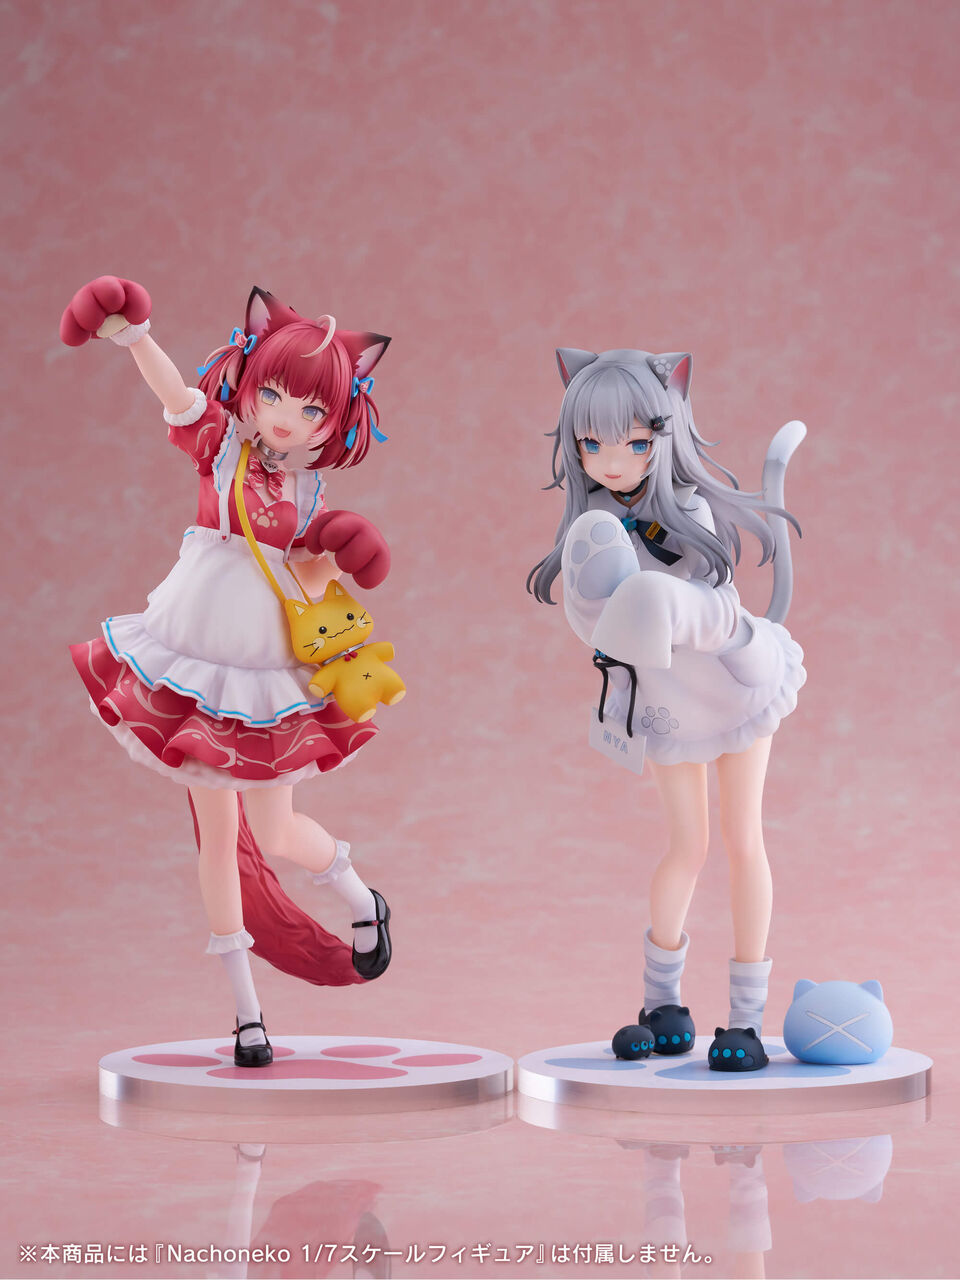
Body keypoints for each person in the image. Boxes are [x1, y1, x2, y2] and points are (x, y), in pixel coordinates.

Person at [63, 277, 396, 1066]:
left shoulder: (310, 492)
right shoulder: (220, 447)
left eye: (310, 409)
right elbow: (177, 396)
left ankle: (362, 899)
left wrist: (347, 544)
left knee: (275, 832)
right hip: (192, 654)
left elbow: (312, 571)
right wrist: (133, 335)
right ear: (249, 381)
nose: (285, 416)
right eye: (273, 394)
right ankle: (247, 1014)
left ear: (334, 420)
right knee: (217, 843)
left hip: (263, 669)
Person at [528, 347, 806, 1070]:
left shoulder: (687, 507)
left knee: (744, 840)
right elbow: (594, 622)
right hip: (668, 703)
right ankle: (661, 1003)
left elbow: (712, 607)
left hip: (732, 682)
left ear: (665, 433)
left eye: (634, 443)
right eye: (592, 445)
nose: (612, 461)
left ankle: (745, 1020)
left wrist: (660, 604)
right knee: (686, 845)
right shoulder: (591, 525)